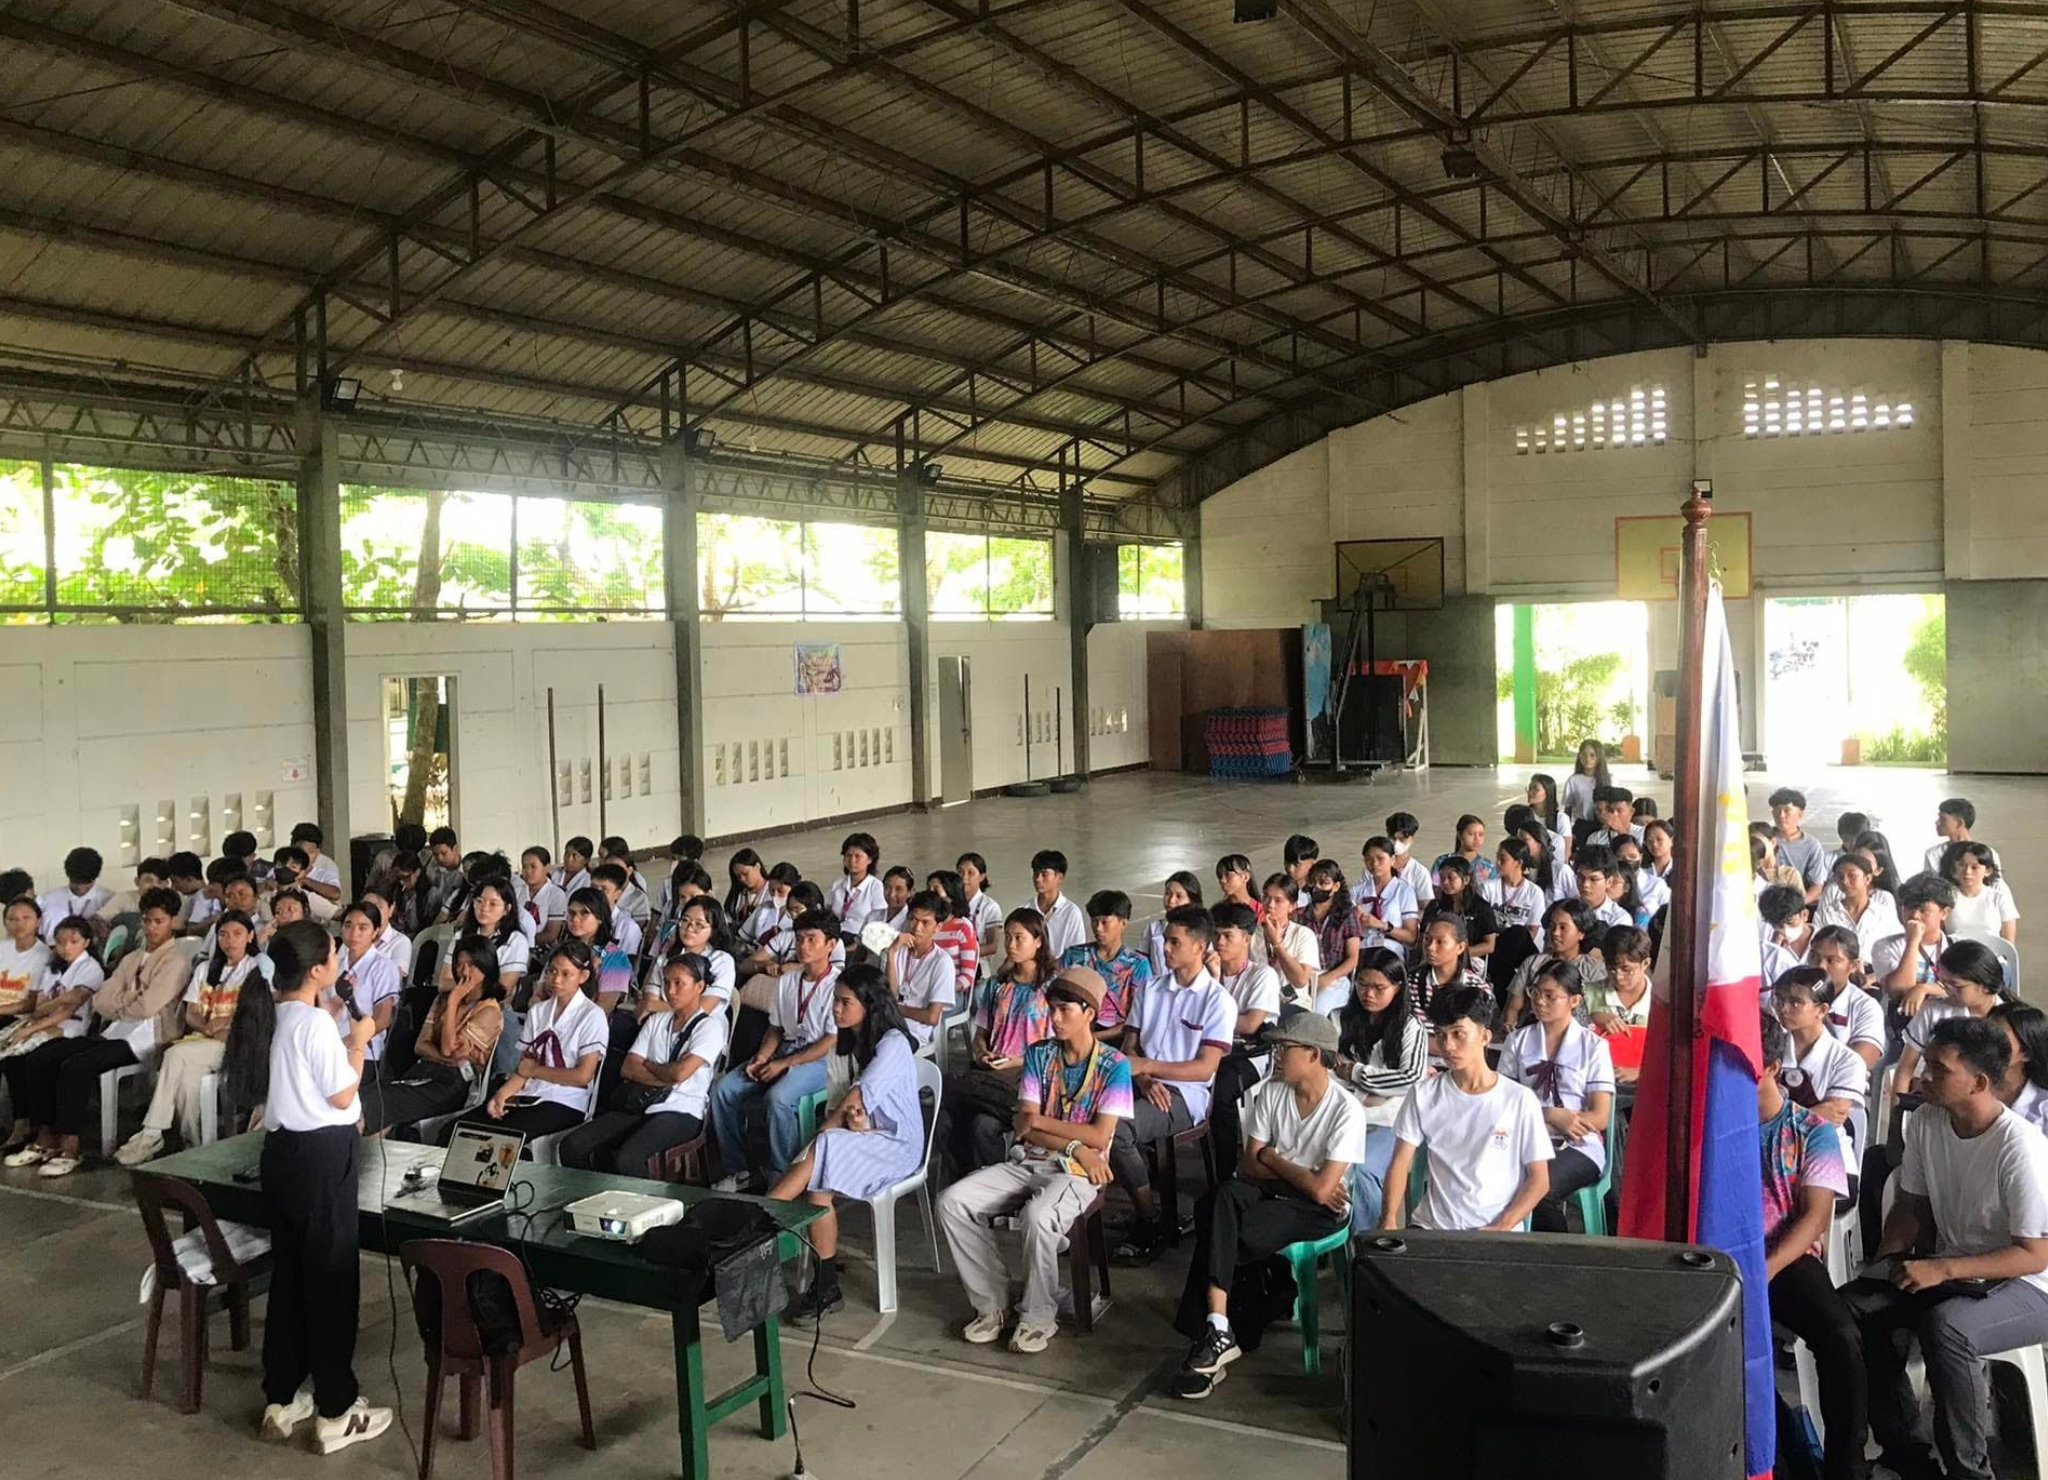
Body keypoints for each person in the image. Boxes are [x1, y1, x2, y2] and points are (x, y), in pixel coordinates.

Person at [1842, 1017, 2048, 1480]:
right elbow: (1911, 1206)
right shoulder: (1929, 1121)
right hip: (1959, 1271)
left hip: (2030, 1285)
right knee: (1853, 1309)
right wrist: (1887, 1261)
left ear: (1978, 1082)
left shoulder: (2021, 1148)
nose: (1922, 1076)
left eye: (1938, 1069)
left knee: (1948, 1328)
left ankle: (1970, 1471)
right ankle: (1905, 1450)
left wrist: (1944, 1269)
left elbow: (2035, 1255)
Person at [1168, 1012, 1362, 1401]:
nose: (1275, 1056)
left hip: (1316, 1211)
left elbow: (1323, 1193)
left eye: (1283, 1048)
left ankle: (1216, 1333)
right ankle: (1220, 1327)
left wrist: (1273, 1158)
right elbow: (1248, 1163)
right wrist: (1290, 1169)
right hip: (1269, 1189)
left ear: (1311, 1054)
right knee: (1220, 1199)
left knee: (1226, 1228)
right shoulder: (1273, 1091)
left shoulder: (1345, 1109)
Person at [938, 965, 1130, 1355]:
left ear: (1089, 1013)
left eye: (1065, 1011)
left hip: (1080, 1174)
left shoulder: (1114, 1065)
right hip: (1032, 1160)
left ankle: (1038, 1315)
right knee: (952, 1202)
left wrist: (1045, 1125)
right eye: (1052, 1010)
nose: (1055, 1019)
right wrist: (1071, 1142)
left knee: (1039, 1216)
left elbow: (1099, 1135)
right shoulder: (1040, 1054)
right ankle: (993, 1305)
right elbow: (1024, 1126)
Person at [254, 920, 392, 1454]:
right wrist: (357, 1043)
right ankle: (336, 1408)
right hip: (321, 1158)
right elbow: (341, 1096)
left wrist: (339, 1034)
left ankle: (283, 1395)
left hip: (282, 1154)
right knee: (331, 1278)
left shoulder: (275, 1015)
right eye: (333, 954)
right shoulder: (312, 1025)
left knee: (290, 1276)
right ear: (318, 970)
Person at [770, 964, 924, 1319]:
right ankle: (825, 1286)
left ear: (868, 1005)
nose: (836, 1010)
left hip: (896, 1145)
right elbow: (843, 1103)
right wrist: (852, 1122)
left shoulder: (894, 1044)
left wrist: (836, 1126)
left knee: (822, 1147)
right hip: (861, 1138)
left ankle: (764, 1213)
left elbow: (857, 1096)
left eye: (844, 1002)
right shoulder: (842, 1046)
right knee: (818, 1185)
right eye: (835, 1002)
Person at [1755, 1010, 1869, 1480]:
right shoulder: (1705, 1128)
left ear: (1771, 1069)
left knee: (1841, 1336)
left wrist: (1768, 1267)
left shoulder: (1809, 1130)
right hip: (1715, 1258)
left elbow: (1815, 1216)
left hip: (1784, 1256)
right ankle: (1783, 1447)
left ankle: (1847, 1466)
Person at [3, 887, 186, 1176]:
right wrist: (127, 1002)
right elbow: (101, 1001)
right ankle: (44, 1136)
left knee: (76, 1066)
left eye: (158, 921)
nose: (151, 927)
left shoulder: (175, 962)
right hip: (114, 1030)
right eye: (147, 920)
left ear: (172, 921)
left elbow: (148, 1007)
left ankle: (70, 1145)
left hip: (146, 1037)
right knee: (42, 1056)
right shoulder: (132, 959)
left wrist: (122, 1003)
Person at [1110, 905, 1234, 1265]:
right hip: (1144, 1082)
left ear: (1199, 947)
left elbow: (1204, 1068)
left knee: (1118, 1128)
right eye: (1165, 940)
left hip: (1185, 1094)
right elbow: (1129, 1047)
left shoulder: (1217, 1001)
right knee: (1083, 1109)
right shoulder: (1149, 988)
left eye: (1174, 942)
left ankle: (1149, 1219)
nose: (1165, 949)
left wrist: (1148, 1066)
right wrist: (1145, 1077)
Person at [1382, 986, 1551, 1232]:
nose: (1447, 1045)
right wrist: (1388, 1219)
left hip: (1496, 1231)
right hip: (1432, 1227)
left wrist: (1503, 1225)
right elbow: (1400, 1162)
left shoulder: (1519, 1100)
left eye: (1458, 1034)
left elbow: (1539, 1179)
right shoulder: (1424, 1094)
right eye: (1440, 1035)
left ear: (1485, 1037)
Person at [115, 909, 263, 1164]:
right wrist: (207, 1026)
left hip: (236, 1044)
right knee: (186, 1081)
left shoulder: (257, 968)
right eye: (223, 935)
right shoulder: (206, 968)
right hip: (203, 1041)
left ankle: (151, 1133)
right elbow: (191, 1012)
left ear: (250, 936)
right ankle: (194, 1147)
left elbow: (256, 1013)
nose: (230, 940)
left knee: (175, 1055)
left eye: (237, 934)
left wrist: (224, 1022)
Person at [562, 953, 727, 1176]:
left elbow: (679, 1073)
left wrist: (648, 1064)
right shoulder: (658, 1020)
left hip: (681, 1109)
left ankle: (645, 1208)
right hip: (641, 1101)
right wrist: (665, 1075)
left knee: (627, 1160)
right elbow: (628, 1067)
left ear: (699, 987)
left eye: (679, 983)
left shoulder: (710, 1027)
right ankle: (591, 1198)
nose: (670, 990)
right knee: (573, 1145)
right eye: (667, 983)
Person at [709, 912, 841, 1187]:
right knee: (723, 1090)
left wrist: (783, 1065)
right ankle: (738, 1169)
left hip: (824, 1058)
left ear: (830, 945)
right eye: (799, 939)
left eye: (811, 939)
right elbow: (776, 1029)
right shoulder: (787, 981)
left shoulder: (838, 985)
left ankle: (781, 1175)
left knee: (779, 1098)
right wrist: (762, 1057)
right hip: (787, 1049)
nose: (803, 946)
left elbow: (829, 1041)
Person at [453, 938, 607, 1143]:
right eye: (552, 971)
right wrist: (501, 1095)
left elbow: (582, 1076)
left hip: (565, 1101)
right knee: (458, 1129)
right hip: (529, 1094)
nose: (556, 980)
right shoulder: (538, 1011)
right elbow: (523, 1068)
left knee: (501, 1138)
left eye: (565, 974)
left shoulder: (592, 1015)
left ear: (583, 976)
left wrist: (535, 1072)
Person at [1499, 963, 1615, 1232]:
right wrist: (1548, 1115)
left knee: (1539, 1190)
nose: (1539, 1001)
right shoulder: (1518, 1041)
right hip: (1524, 1139)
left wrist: (1565, 1123)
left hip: (1578, 1145)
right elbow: (1501, 1104)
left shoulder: (1594, 1047)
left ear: (1575, 1000)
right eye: (1535, 992)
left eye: (1550, 996)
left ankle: (1555, 1260)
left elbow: (1599, 1117)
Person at [358, 934, 504, 1136]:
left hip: (453, 1084)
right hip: (423, 1071)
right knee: (368, 1097)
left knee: (380, 1101)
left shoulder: (490, 1010)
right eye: (459, 965)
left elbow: (448, 1047)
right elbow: (421, 1045)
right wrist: (446, 1058)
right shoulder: (441, 999)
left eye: (471, 965)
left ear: (486, 967)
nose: (464, 972)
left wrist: (453, 1002)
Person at [1334, 949, 1425, 1230]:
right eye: (1362, 984)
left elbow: (1410, 1078)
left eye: (1379, 988)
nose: (1368, 994)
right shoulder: (1337, 1018)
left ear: (1397, 988)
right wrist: (1371, 1091)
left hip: (1391, 1125)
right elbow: (1327, 1072)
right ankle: (1332, 1238)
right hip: (1342, 1117)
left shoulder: (1411, 1027)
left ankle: (1365, 1243)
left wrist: (1356, 1072)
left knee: (1360, 1170)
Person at [1207, 900, 1283, 1170]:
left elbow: (1251, 1025)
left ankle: (1226, 1169)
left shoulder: (1262, 975)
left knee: (1221, 1092)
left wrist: (1216, 983)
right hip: (1211, 1049)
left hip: (1249, 1054)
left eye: (1228, 935)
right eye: (1215, 935)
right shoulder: (1202, 971)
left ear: (1247, 939)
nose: (1219, 942)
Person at [1773, 972, 1872, 1178]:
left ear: (1822, 1009)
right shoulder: (1770, 1049)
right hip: (1774, 1154)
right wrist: (1811, 1114)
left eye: (1795, 1002)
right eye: (1780, 999)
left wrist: (1774, 1122)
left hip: (1827, 1154)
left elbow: (1832, 1114)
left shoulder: (1847, 1061)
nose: (1783, 1008)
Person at [1060, 889, 1151, 1041]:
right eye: (1094, 921)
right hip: (1073, 1033)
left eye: (1105, 922)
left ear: (1123, 923)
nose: (1098, 928)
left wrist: (1092, 1038)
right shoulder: (1074, 956)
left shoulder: (1137, 965)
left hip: (1116, 1039)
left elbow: (1137, 1019)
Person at [884, 889, 956, 1049]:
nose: (917, 927)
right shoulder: (897, 950)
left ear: (938, 927)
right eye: (913, 919)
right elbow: (891, 994)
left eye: (925, 923)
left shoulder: (942, 962)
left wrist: (897, 1009)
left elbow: (931, 1017)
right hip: (887, 1022)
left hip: (914, 1030)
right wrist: (891, 953)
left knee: (886, 1046)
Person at [1806, 929, 1885, 1073]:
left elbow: (1860, 1061)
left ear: (1853, 966)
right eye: (1814, 957)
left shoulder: (1866, 1007)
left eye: (1832, 960)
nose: (1820, 966)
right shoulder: (1789, 993)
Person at [1874, 876, 1954, 1016]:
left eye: (1924, 910)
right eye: (1909, 908)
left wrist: (1923, 989)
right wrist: (1912, 942)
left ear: (1944, 913)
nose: (1915, 916)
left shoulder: (1957, 947)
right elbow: (1900, 990)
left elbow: (1962, 991)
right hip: (1901, 1021)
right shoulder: (1885, 946)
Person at [1583, 924, 1653, 1081]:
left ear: (1645, 964)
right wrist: (1592, 1016)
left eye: (1626, 969)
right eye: (1611, 968)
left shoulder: (1659, 1003)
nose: (1618, 976)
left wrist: (1641, 1072)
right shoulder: (1586, 994)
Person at [1813, 853, 1900, 968]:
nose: (1845, 881)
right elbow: (1816, 947)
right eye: (1840, 876)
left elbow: (1897, 951)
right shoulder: (1826, 913)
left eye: (1852, 876)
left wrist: (1872, 977)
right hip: (1835, 973)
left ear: (1867, 878)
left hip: (1875, 975)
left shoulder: (1883, 914)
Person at [1300, 860, 1362, 1014]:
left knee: (1318, 1011)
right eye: (1313, 882)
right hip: (1303, 976)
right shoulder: (1299, 915)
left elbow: (1353, 958)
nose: (1317, 887)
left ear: (1336, 887)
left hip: (1335, 978)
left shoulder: (1346, 916)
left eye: (1323, 883)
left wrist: (1326, 978)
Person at [1403, 914, 1488, 1023]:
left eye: (1440, 942)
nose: (1430, 947)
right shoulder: (1411, 983)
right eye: (1428, 939)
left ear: (1460, 947)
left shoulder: (1478, 987)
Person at [1254, 874, 1320, 1006]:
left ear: (1292, 906)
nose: (1270, 905)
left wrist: (1277, 944)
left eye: (1278, 901)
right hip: (1259, 1001)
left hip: (1293, 1003)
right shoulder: (1252, 933)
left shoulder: (1303, 934)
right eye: (1266, 897)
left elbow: (1300, 980)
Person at [1350, 837, 1420, 959]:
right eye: (1369, 859)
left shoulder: (1404, 891)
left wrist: (1382, 925)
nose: (1374, 863)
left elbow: (1411, 938)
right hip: (1362, 948)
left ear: (1392, 859)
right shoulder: (1357, 891)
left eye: (1380, 858)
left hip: (1391, 950)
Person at [1941, 841, 2018, 944]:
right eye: (1962, 865)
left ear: (1988, 871)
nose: (1967, 872)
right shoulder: (1945, 897)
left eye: (1974, 867)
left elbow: (2008, 942)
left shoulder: (1999, 897)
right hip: (1955, 956)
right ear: (1955, 868)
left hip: (1991, 957)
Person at [1424, 856, 1499, 961]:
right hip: (1436, 957)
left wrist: (1458, 954)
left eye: (1451, 878)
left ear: (1466, 879)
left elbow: (1489, 946)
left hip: (1469, 959)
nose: (1445, 882)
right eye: (1442, 878)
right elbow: (1423, 936)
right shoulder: (1435, 906)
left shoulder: (1481, 907)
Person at [35, 847, 109, 945]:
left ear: (96, 876)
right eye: (75, 882)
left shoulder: (110, 901)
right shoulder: (45, 900)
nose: (80, 888)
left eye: (86, 883)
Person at [1769, 788, 1829, 902]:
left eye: (1787, 810)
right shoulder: (1765, 839)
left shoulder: (1812, 846)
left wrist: (1798, 906)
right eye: (1777, 810)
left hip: (1795, 903)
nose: (1781, 815)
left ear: (1800, 814)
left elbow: (1817, 886)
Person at [1144, 871, 1204, 978]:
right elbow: (1142, 965)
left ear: (1192, 900)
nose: (1171, 900)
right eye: (1167, 893)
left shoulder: (1200, 930)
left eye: (1179, 896)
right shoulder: (1152, 928)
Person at [1030, 849, 1087, 960]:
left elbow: (1077, 954)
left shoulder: (1071, 913)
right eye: (1035, 873)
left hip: (1061, 974)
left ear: (1059, 877)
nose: (1037, 879)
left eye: (1044, 874)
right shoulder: (1025, 910)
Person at [827, 832, 885, 938]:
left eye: (858, 856)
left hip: (860, 940)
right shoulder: (837, 884)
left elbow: (879, 925)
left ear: (870, 859)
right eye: (848, 855)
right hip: (836, 935)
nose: (852, 860)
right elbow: (827, 913)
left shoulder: (876, 887)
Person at [1923, 798, 1998, 879]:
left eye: (1943, 819)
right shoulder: (1933, 854)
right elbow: (1927, 886)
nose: (1937, 822)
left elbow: (1997, 886)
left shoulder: (1988, 854)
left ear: (1959, 823)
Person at [957, 852, 1005, 967]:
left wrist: (961, 955)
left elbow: (992, 946)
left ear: (982, 877)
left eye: (970, 873)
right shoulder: (951, 904)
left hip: (979, 967)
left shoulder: (990, 907)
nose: (964, 878)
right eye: (960, 872)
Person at [516, 847, 569, 946]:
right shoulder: (516, 892)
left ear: (546, 867)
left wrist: (523, 942)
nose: (528, 871)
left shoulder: (556, 894)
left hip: (543, 949)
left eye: (533, 866)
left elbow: (551, 933)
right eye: (524, 867)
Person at [288, 822, 343, 914]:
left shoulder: (326, 865)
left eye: (311, 852)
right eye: (300, 852)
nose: (305, 857)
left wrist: (305, 881)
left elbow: (335, 894)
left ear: (318, 851)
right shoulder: (285, 862)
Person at [1382, 812, 1434, 906]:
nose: (1397, 844)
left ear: (1412, 839)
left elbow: (1426, 906)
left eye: (1402, 840)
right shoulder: (1375, 867)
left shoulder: (1419, 873)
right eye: (1393, 838)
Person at [1431, 814, 1495, 890]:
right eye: (1471, 834)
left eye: (1480, 835)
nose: (1477, 839)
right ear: (1459, 835)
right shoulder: (1442, 861)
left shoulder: (1488, 866)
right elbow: (1434, 888)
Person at [1560, 740, 1609, 828]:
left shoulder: (1610, 779)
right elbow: (1568, 808)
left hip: (1605, 825)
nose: (1587, 759)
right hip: (1582, 826)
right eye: (1584, 755)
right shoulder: (1573, 780)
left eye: (1592, 755)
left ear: (1599, 757)